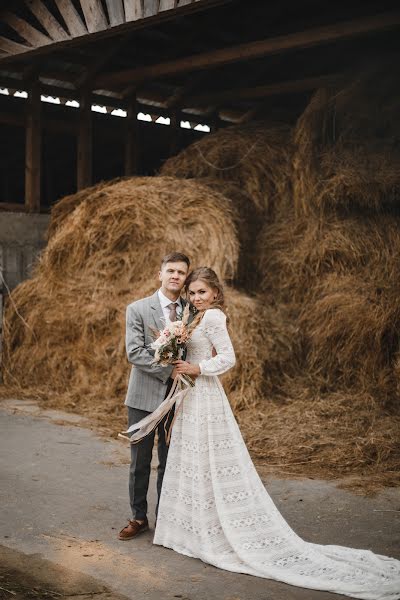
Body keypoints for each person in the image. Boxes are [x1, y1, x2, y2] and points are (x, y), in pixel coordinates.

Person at [153, 267, 400, 600]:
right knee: (192, 458)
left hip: (204, 394)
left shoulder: (212, 317)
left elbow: (228, 357)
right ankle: (191, 529)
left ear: (215, 293)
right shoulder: (193, 318)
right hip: (190, 394)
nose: (197, 297)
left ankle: (207, 531)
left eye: (203, 292)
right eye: (193, 292)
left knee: (206, 457)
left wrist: (197, 368)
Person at [118, 252, 191, 540]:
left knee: (169, 459)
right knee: (140, 460)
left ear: (186, 278)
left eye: (181, 272)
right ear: (159, 275)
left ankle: (166, 518)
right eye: (170, 270)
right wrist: (168, 372)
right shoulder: (137, 309)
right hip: (142, 398)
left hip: (177, 398)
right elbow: (134, 352)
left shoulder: (191, 312)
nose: (175, 276)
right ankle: (138, 517)